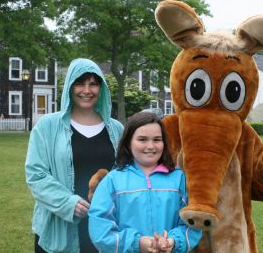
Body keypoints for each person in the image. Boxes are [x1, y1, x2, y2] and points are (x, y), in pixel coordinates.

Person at [25, 58, 124, 253]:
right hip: (58, 227)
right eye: (80, 83)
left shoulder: (117, 129)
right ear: (70, 86)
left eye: (93, 84)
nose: (86, 90)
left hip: (104, 226)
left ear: (101, 88)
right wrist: (69, 203)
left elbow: (125, 173)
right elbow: (36, 174)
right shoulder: (48, 126)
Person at [88, 112, 202, 253]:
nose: (150, 146)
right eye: (142, 139)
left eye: (157, 139)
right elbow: (100, 229)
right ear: (128, 143)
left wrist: (172, 242)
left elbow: (193, 222)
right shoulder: (112, 181)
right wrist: (138, 243)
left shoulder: (179, 179)